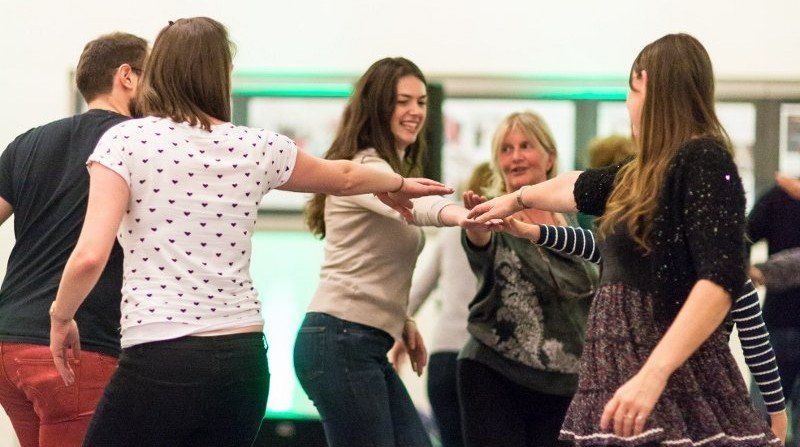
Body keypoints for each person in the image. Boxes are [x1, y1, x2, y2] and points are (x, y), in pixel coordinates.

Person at [46, 18, 452, 447]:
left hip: (161, 352)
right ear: (222, 74)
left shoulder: (126, 141)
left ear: (160, 68)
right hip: (242, 361)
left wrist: (61, 316)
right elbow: (346, 176)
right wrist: (398, 182)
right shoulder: (259, 146)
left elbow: (90, 255)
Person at [467, 33, 780, 445]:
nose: (628, 104)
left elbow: (721, 282)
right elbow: (580, 191)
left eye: (631, 91)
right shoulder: (644, 172)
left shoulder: (702, 160)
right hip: (620, 373)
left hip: (668, 380)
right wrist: (518, 203)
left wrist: (653, 374)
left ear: (650, 87)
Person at [294, 57, 494, 447]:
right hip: (339, 340)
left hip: (361, 343)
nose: (415, 111)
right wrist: (463, 216)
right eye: (403, 101)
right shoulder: (363, 168)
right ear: (378, 107)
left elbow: (374, 261)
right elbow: (413, 206)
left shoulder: (386, 169)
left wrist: (402, 319)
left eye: (421, 102)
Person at [488, 219, 788, 441]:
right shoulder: (648, 262)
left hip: (702, 407)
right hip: (646, 402)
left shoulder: (727, 275)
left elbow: (756, 343)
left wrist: (777, 413)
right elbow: (596, 245)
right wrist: (534, 231)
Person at [0, 32, 147, 447]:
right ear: (127, 77)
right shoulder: (139, 143)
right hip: (76, 346)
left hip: (9, 342)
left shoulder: (28, 142)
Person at [457, 111, 598, 447]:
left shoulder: (573, 223)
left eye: (525, 146)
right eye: (506, 149)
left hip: (564, 384)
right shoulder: (494, 216)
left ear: (549, 157)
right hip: (495, 374)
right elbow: (479, 245)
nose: (516, 156)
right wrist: (476, 226)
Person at [389, 162, 493, 447]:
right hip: (481, 360)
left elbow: (417, 291)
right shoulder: (503, 230)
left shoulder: (450, 232)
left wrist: (400, 332)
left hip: (443, 360)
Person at [748, 172, 800, 447]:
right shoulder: (780, 196)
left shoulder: (779, 196)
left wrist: (761, 272)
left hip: (778, 322)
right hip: (779, 325)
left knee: (762, 423)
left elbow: (739, 239)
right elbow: (739, 240)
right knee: (762, 423)